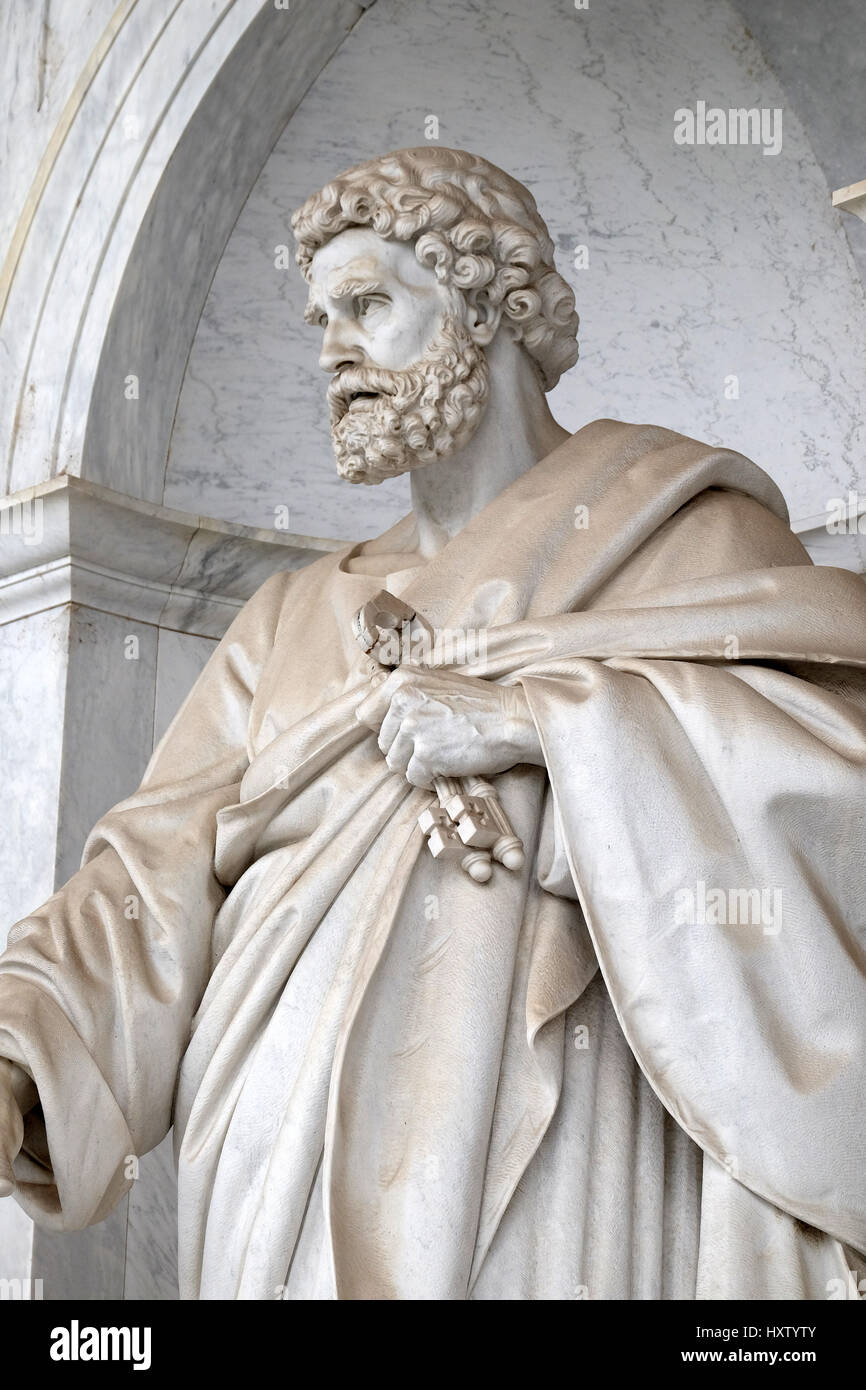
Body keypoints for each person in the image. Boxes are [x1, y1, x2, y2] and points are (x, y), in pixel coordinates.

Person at [1, 146, 865, 1300]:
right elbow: (143, 885)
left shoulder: (679, 540)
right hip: (277, 1186)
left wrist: (545, 723)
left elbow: (828, 802)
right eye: (320, 318)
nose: (331, 352)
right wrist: (20, 1050)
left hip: (567, 1159)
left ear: (490, 309)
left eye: (368, 306)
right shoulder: (291, 617)